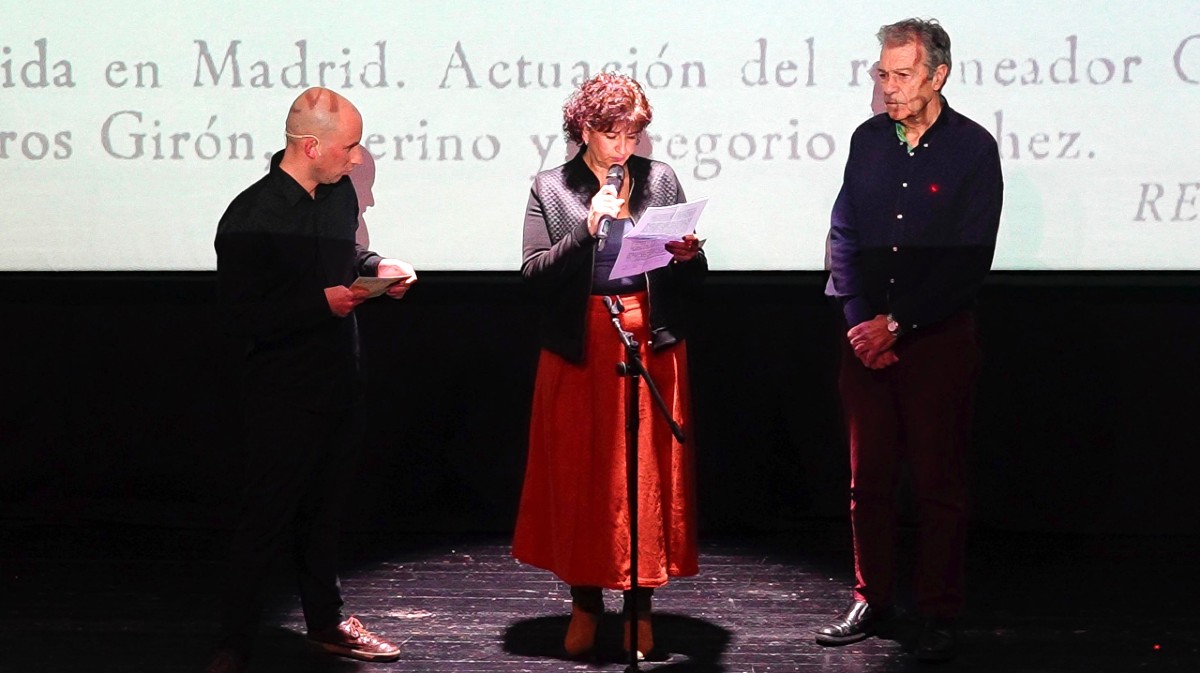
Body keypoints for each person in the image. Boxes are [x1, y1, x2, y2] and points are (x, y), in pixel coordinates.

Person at [205, 87, 416, 673]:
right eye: (349, 148)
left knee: (325, 514)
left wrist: (379, 269)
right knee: (265, 519)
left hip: (338, 383)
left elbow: (344, 258)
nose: (356, 159)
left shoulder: (338, 195)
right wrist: (317, 304)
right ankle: (235, 641)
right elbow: (239, 317)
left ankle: (326, 622)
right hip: (281, 394)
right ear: (310, 145)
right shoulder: (251, 216)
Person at [818, 18, 1003, 663]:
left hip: (937, 340)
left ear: (937, 76)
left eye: (901, 75)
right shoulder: (867, 141)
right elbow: (842, 233)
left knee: (937, 481)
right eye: (882, 74)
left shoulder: (973, 148)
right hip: (863, 338)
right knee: (866, 480)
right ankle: (873, 597)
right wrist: (860, 322)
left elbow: (970, 257)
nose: (888, 88)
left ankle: (940, 610)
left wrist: (900, 324)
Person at [512, 71, 706, 660]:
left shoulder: (660, 179)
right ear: (585, 129)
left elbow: (692, 278)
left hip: (649, 340)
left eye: (633, 136)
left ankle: (640, 610)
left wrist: (690, 254)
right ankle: (585, 604)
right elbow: (532, 273)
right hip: (581, 343)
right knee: (582, 476)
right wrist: (589, 228)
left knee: (644, 480)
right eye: (612, 135)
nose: (624, 149)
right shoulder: (553, 186)